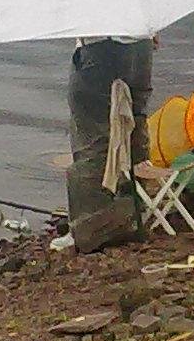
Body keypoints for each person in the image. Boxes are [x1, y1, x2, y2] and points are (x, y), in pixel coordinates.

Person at [64, 34, 154, 253]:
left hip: (99, 49)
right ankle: (133, 211)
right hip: (141, 46)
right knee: (133, 122)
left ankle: (91, 226)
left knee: (92, 137)